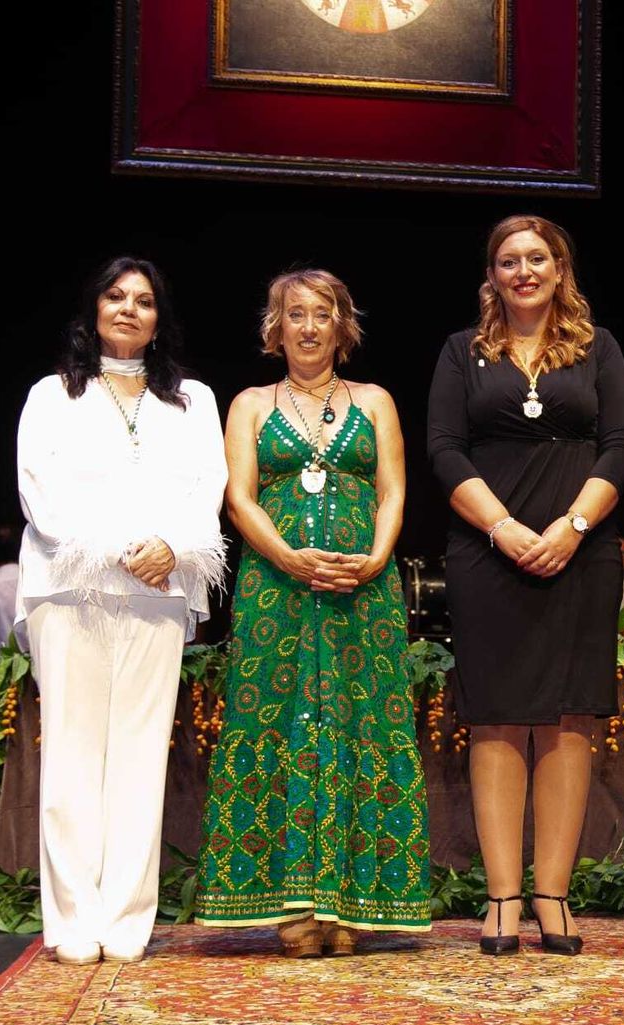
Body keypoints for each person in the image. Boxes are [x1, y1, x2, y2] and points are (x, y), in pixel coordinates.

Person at [196, 268, 431, 957]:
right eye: (294, 313)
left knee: (361, 721)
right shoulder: (249, 404)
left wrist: (377, 557)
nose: (307, 326)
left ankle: (354, 903)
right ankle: (292, 909)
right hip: (277, 592)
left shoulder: (376, 400)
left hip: (365, 590)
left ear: (341, 325)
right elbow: (238, 499)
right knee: (280, 717)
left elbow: (393, 490)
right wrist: (289, 558)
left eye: (321, 313)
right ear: (276, 327)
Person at [427, 215, 624, 956]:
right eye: (508, 260)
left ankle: (552, 895)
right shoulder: (463, 353)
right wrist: (505, 529)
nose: (523, 271)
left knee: (568, 718)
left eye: (536, 258)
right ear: (493, 275)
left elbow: (620, 446)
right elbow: (445, 451)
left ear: (559, 268)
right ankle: (502, 899)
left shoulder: (598, 347)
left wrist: (572, 528)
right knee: (497, 716)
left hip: (580, 552)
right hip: (490, 554)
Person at [15, 256, 227, 965]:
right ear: (94, 309)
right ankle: (73, 921)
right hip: (70, 589)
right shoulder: (53, 394)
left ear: (160, 318)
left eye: (144, 300)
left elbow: (209, 485)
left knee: (139, 760)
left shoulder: (192, 398)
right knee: (73, 757)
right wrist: (110, 550)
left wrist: (174, 545)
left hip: (158, 593)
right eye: (116, 296)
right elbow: (38, 491)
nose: (129, 309)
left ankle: (127, 920)